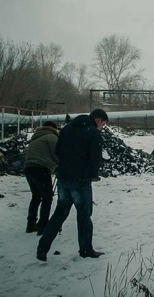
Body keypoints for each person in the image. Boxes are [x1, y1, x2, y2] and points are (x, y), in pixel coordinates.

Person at [36, 109, 109, 261]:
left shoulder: (67, 128)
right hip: (81, 180)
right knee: (84, 215)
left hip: (63, 178)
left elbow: (58, 150)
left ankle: (42, 247)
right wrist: (93, 174)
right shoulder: (93, 133)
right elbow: (95, 158)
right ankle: (86, 249)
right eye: (103, 124)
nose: (102, 127)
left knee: (59, 213)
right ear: (98, 120)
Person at [24, 120, 59, 236]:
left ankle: (30, 223)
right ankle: (43, 225)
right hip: (41, 169)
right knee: (47, 198)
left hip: (29, 168)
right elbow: (57, 153)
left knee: (36, 196)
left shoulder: (36, 137)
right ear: (54, 128)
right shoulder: (51, 137)